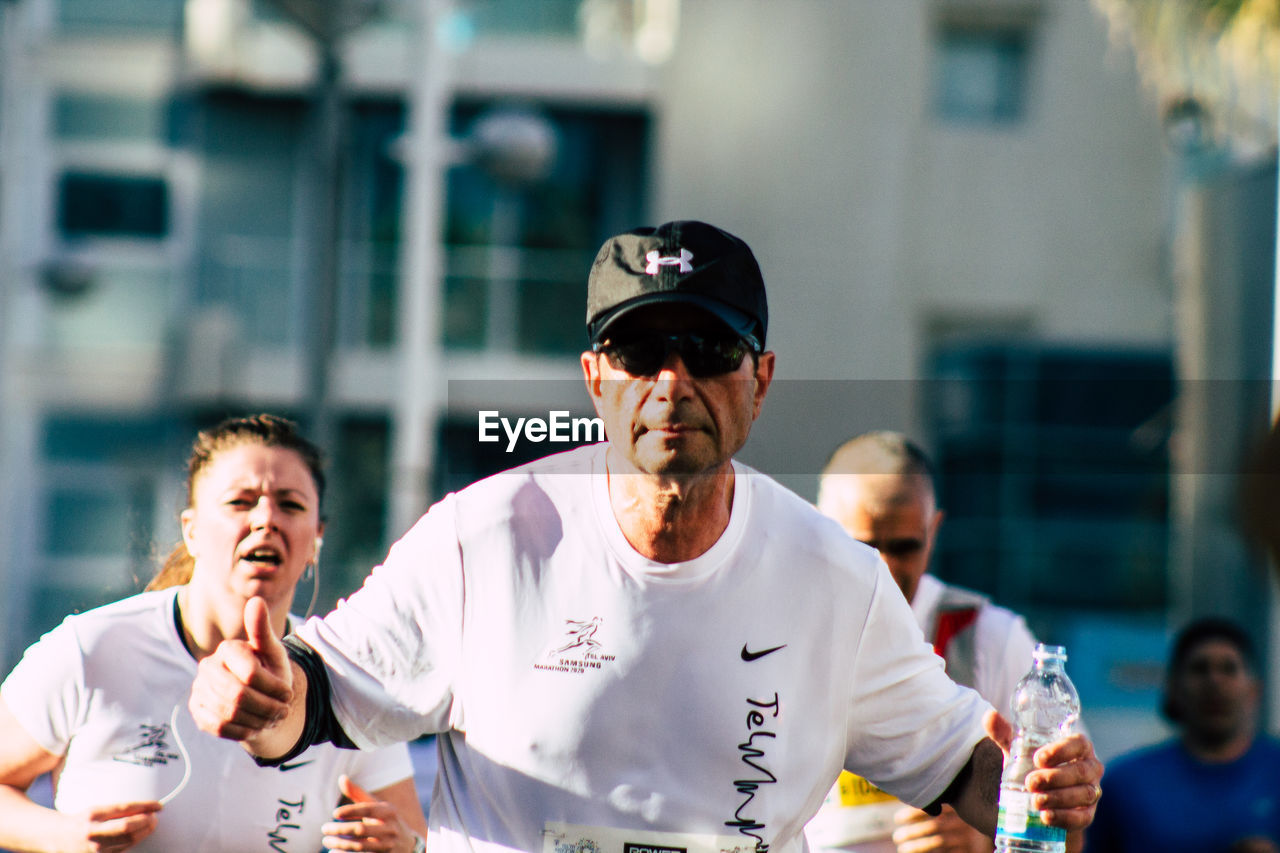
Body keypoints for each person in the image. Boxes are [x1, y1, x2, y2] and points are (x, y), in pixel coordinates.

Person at [187, 221, 1103, 853]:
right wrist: (252, 690)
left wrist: (1047, 789)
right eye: (638, 353)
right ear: (595, 377)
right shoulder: (488, 536)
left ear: (762, 377)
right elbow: (324, 694)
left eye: (707, 351)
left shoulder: (835, 579)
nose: (671, 382)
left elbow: (967, 768)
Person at [0, 414, 429, 853]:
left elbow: (418, 836)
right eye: (240, 502)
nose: (266, 519)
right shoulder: (91, 648)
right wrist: (61, 836)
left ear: (317, 538)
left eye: (291, 505)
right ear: (192, 531)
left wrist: (406, 846)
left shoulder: (342, 678)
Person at [804, 432, 1040, 853]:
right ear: (818, 527)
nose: (885, 570)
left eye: (904, 547)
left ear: (934, 530)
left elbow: (1069, 830)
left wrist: (986, 840)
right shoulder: (774, 629)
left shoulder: (990, 638)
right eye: (864, 547)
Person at [1085, 617, 1280, 853]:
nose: (1214, 682)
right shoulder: (1124, 786)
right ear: (1173, 688)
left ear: (1253, 690)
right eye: (1200, 669)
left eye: (1229, 669)